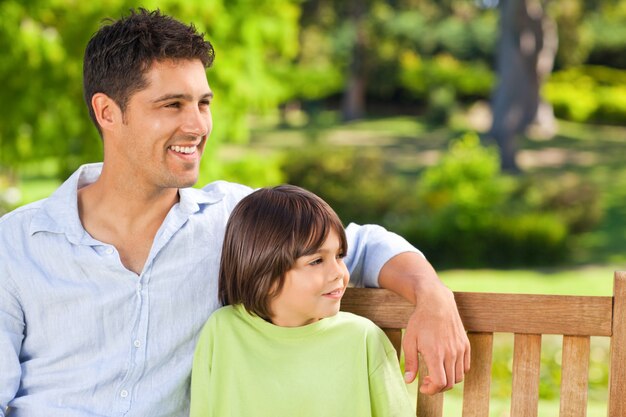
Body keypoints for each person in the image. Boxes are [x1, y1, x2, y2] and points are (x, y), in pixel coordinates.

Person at [0, 8, 469, 417]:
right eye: (173, 105)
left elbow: (358, 246)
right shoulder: (17, 244)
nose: (197, 125)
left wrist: (431, 295)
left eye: (203, 103)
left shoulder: (230, 220)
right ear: (106, 112)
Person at [190, 184, 414, 417]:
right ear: (265, 275)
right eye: (317, 261)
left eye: (339, 256)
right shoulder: (222, 330)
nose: (339, 272)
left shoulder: (363, 339)